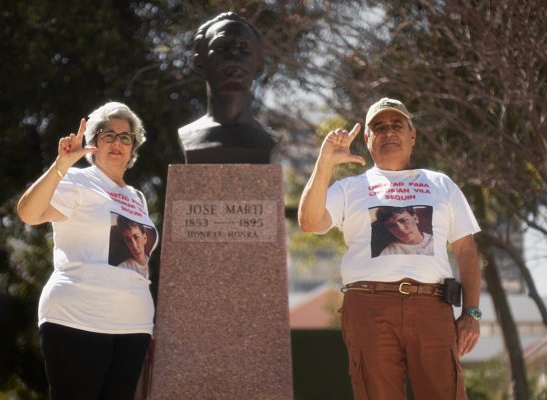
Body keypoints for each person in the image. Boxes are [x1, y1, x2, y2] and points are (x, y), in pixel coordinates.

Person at [298, 97, 481, 399]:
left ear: (413, 135)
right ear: (367, 139)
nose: (389, 131)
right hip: (369, 307)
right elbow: (309, 221)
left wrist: (471, 313)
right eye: (379, 127)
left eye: (397, 125)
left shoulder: (441, 184)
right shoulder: (349, 188)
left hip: (431, 307)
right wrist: (325, 163)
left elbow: (467, 251)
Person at [17, 101, 158, 400]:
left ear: (134, 148)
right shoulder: (77, 180)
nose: (117, 143)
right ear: (93, 144)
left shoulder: (137, 197)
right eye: (108, 135)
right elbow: (29, 213)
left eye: (125, 137)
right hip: (77, 317)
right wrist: (61, 166)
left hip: (133, 326)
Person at [177, 11, 279, 164]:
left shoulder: (269, 140)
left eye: (244, 48)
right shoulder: (190, 135)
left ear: (259, 65)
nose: (234, 55)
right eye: (222, 46)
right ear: (199, 62)